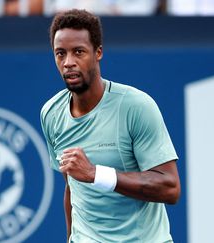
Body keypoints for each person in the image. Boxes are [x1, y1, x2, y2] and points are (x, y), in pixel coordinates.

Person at [40, 9, 181, 243]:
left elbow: (170, 188)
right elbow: (72, 188)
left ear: (98, 53)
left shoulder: (136, 106)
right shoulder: (51, 114)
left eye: (78, 52)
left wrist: (96, 174)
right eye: (60, 54)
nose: (68, 63)